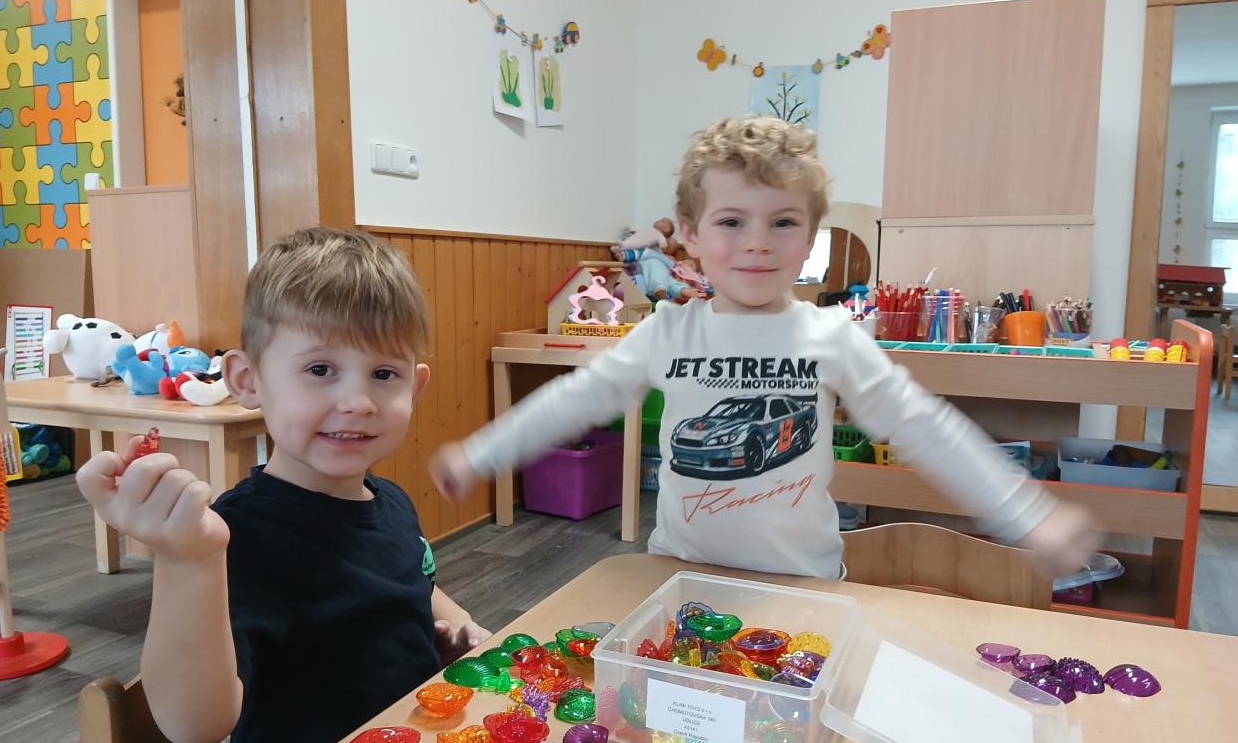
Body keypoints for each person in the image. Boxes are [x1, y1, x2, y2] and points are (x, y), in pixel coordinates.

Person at [430, 117, 1099, 579]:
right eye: (731, 221)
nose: (757, 242)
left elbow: (923, 425)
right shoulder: (668, 332)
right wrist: (482, 453)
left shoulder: (829, 336)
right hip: (681, 575)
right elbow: (578, 398)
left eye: (782, 222)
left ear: (809, 239)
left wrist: (1028, 516)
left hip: (802, 584)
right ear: (690, 234)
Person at [77, 228, 488, 743]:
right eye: (321, 369)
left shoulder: (390, 501)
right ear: (247, 380)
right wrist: (186, 560)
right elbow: (195, 725)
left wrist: (463, 627)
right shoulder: (235, 537)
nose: (358, 401)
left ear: (415, 387)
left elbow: (413, 579)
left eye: (383, 374)